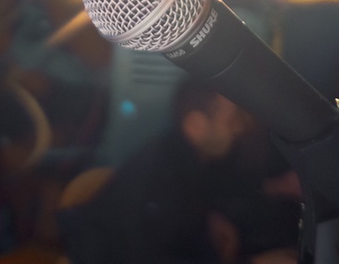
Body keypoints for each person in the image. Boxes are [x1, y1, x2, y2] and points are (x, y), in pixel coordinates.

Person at [57, 76, 300, 264]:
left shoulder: (193, 155)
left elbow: (217, 187)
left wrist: (216, 211)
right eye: (231, 120)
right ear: (196, 125)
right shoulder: (160, 176)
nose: (239, 128)